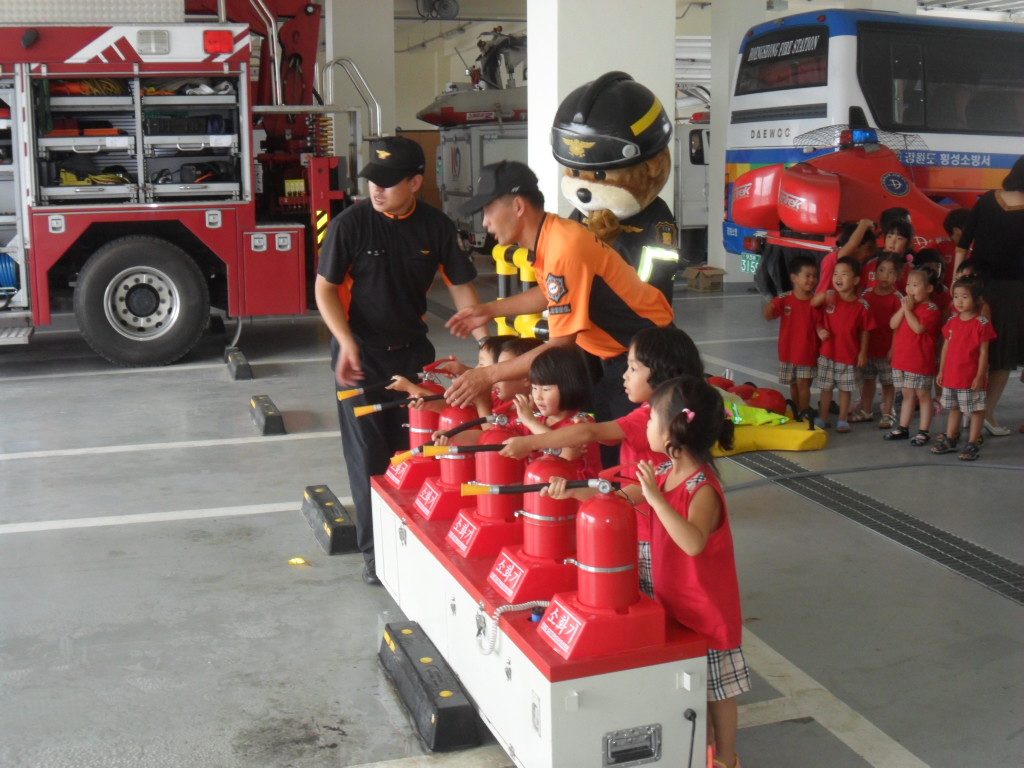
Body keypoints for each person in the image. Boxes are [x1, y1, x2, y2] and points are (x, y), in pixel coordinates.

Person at [543, 375, 749, 768]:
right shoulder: (665, 472)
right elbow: (618, 498)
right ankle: (700, 749)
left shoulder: (702, 487)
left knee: (718, 692)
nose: (646, 424)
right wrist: (572, 490)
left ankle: (726, 757)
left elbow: (693, 542)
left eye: (651, 418)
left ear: (674, 431)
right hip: (672, 602)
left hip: (707, 611)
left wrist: (656, 499)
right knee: (691, 687)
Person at [314, 136, 485, 587]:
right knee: (370, 458)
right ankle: (377, 557)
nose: (377, 189)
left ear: (415, 182)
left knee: (418, 453)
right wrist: (345, 342)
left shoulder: (436, 227)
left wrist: (488, 347)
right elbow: (325, 290)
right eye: (373, 180)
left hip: (412, 354)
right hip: (360, 358)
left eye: (389, 182)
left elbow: (462, 287)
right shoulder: (350, 225)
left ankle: (417, 547)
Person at [443, 161, 675, 442]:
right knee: (603, 437)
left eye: (489, 210)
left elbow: (560, 344)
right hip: (617, 354)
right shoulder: (550, 237)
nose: (484, 222)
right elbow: (551, 293)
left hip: (648, 357)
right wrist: (490, 310)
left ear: (517, 206)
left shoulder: (563, 247)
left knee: (628, 450)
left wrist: (489, 375)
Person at [500, 325, 705, 595]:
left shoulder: (647, 416)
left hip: (650, 526)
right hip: (639, 517)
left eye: (633, 368)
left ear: (661, 372)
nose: (624, 375)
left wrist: (531, 442)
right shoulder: (650, 415)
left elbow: (592, 433)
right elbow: (611, 461)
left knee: (656, 593)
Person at [954, 155, 1024, 436]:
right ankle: (986, 414)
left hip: (976, 286)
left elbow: (963, 244)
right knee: (1002, 353)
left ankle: (965, 411)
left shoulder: (987, 200)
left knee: (971, 347)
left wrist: (956, 283)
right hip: (1013, 291)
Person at [506, 345, 602, 479]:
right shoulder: (537, 419)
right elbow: (502, 436)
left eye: (546, 389)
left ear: (569, 386)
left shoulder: (581, 422)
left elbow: (564, 451)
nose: (538, 396)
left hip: (578, 491)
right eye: (534, 388)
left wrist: (530, 422)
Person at [932, 277, 997, 461]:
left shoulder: (981, 323)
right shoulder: (952, 321)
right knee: (954, 408)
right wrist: (942, 370)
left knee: (975, 410)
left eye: (965, 297)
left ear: (976, 299)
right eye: (956, 296)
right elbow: (946, 347)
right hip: (952, 376)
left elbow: (984, 353)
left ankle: (972, 442)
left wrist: (979, 376)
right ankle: (950, 438)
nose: (959, 301)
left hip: (971, 377)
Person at [811, 257, 875, 432]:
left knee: (845, 390)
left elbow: (866, 330)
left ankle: (842, 419)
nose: (838, 277)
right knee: (826, 388)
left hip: (848, 355)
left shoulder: (862, 305)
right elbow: (814, 307)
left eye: (844, 274)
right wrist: (820, 330)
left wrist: (863, 353)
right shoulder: (829, 298)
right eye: (835, 274)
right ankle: (823, 417)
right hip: (827, 353)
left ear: (855, 280)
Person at [883, 268, 943, 445]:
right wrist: (904, 309)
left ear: (929, 289)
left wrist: (908, 311)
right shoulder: (908, 307)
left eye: (915, 285)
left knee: (923, 395)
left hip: (920, 361)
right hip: (902, 360)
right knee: (907, 394)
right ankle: (903, 427)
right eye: (908, 285)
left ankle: (924, 431)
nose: (910, 289)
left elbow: (918, 328)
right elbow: (892, 324)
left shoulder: (931, 308)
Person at [763, 254, 820, 420]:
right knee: (794, 384)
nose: (811, 280)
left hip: (808, 352)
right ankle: (797, 410)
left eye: (814, 276)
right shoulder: (784, 299)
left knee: (803, 383)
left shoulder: (816, 302)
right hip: (788, 352)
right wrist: (768, 309)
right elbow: (769, 315)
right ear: (794, 278)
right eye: (807, 276)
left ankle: (804, 412)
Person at [855, 252, 902, 427]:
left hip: (886, 350)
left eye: (891, 272)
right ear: (875, 272)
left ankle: (888, 413)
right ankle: (866, 410)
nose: (885, 275)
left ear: (897, 276)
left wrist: (893, 349)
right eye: (881, 270)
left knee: (888, 383)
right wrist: (860, 349)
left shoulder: (898, 299)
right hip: (868, 349)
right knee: (868, 381)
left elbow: (898, 328)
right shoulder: (866, 295)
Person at [816, 219, 877, 295]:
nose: (869, 253)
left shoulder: (858, 268)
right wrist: (864, 224)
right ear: (856, 246)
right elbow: (852, 244)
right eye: (868, 248)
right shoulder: (832, 259)